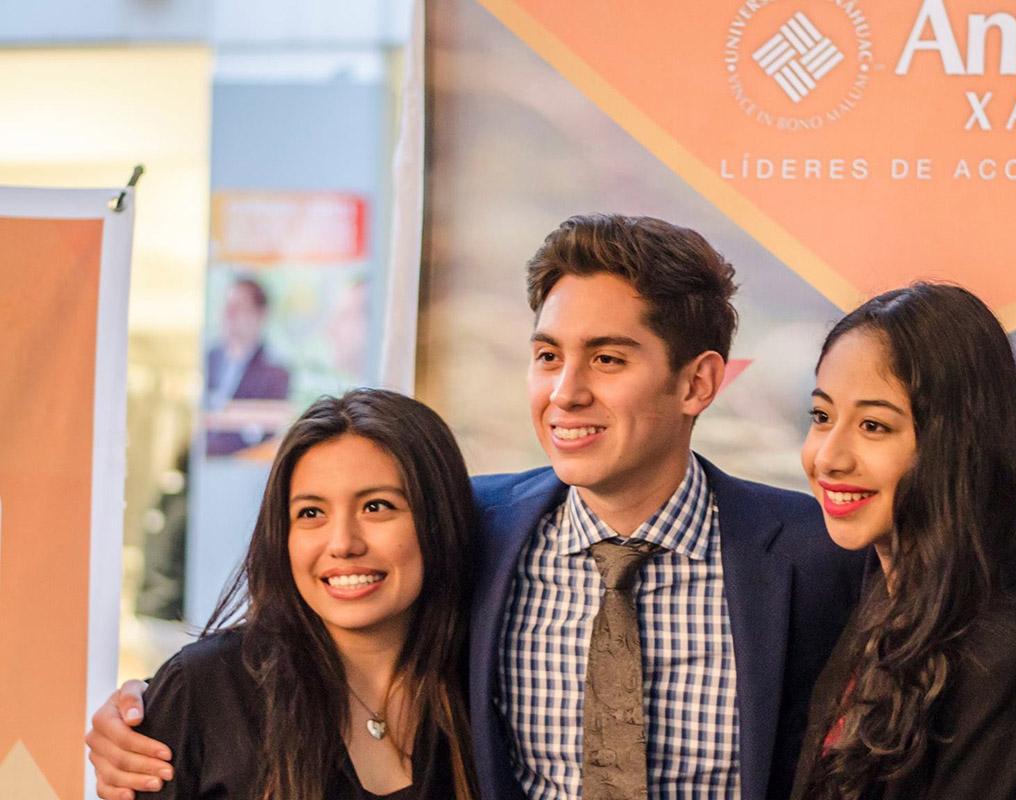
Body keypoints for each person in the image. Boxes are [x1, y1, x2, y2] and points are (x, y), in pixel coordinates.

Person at [88, 214, 867, 800]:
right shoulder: (472, 529)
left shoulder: (815, 556)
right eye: (547, 356)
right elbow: (296, 647)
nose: (567, 392)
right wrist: (146, 711)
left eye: (607, 358)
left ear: (699, 383)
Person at [791, 283, 1016, 800]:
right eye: (822, 417)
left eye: (874, 426)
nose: (829, 457)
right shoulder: (876, 605)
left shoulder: (1006, 658)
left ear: (956, 445)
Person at [121, 389, 478, 799]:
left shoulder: (485, 688)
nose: (342, 543)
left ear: (440, 520)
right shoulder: (204, 690)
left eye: (377, 506)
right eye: (311, 513)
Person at [205, 277, 291, 456]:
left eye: (238, 307)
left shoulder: (275, 373)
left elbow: (266, 437)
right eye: (227, 306)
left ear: (259, 315)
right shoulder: (208, 360)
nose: (229, 315)